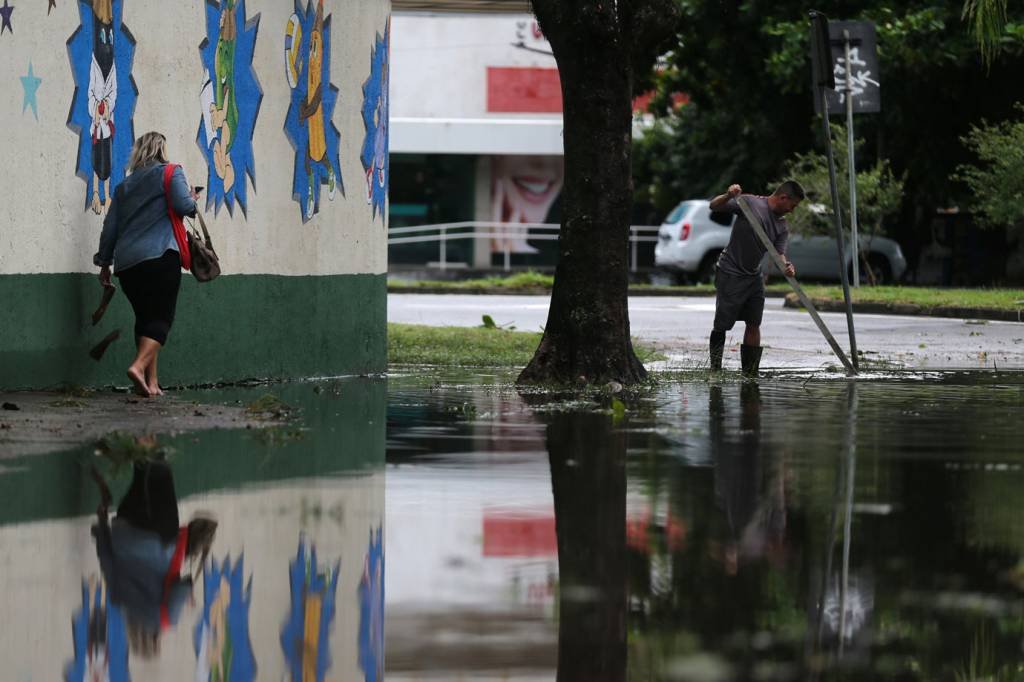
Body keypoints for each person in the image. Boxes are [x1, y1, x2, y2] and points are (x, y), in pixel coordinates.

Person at [94, 132, 199, 397]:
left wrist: (104, 263)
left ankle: (151, 383)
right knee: (162, 318)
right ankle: (138, 367)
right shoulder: (171, 172)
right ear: (162, 149)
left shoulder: (123, 187)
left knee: (145, 320)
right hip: (160, 256)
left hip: (128, 265)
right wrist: (192, 199)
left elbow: (110, 228)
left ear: (138, 152)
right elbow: (183, 205)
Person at [90, 459, 217, 659]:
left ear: (155, 640)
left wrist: (186, 596)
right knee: (141, 473)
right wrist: (101, 526)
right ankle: (138, 440)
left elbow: (183, 586)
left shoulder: (165, 620)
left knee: (160, 472)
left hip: (159, 539)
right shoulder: (117, 600)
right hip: (123, 533)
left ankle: (150, 440)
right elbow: (106, 560)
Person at [707, 181, 804, 376]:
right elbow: (714, 206)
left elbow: (779, 254)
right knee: (722, 324)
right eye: (792, 205)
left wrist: (786, 267)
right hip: (730, 272)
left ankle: (750, 373)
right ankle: (715, 370)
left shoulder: (782, 225)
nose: (792, 211)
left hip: (753, 276)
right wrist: (728, 195)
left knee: (754, 323)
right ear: (783, 197)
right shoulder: (749, 203)